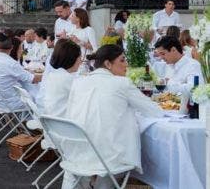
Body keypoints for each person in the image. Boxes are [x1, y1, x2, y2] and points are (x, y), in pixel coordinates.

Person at [62, 45, 163, 189]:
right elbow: (154, 111)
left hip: (76, 154)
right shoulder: (121, 83)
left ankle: (92, 183)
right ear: (108, 64)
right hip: (110, 157)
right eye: (122, 61)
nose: (126, 65)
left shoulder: (79, 81)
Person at [0, 33, 41, 112]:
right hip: (10, 103)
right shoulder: (11, 64)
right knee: (39, 97)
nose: (22, 50)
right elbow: (33, 79)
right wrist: (46, 75)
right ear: (12, 48)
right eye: (21, 48)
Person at [36, 40, 81, 117]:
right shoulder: (69, 79)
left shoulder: (52, 75)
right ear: (72, 59)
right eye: (80, 58)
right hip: (63, 123)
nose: (81, 61)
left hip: (48, 120)